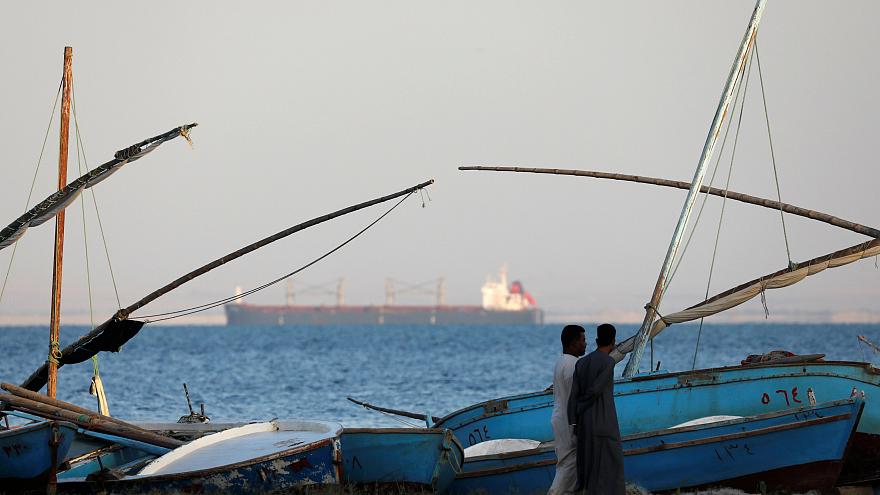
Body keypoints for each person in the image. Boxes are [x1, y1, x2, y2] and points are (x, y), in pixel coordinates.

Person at [567, 323, 625, 495]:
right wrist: (580, 406)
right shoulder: (608, 362)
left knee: (589, 465)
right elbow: (595, 391)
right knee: (612, 465)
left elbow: (574, 394)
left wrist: (574, 418)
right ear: (613, 341)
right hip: (604, 421)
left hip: (584, 423)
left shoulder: (582, 363)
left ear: (597, 339)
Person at [548, 325, 587, 495]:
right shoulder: (574, 366)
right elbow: (576, 398)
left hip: (559, 417)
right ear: (573, 343)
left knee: (567, 463)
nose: (585, 344)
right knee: (568, 464)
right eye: (583, 340)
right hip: (569, 420)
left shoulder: (561, 361)